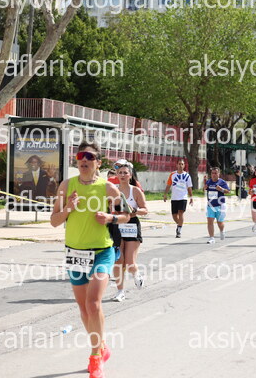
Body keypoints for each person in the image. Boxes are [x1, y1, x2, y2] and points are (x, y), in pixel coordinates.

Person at [50, 142, 130, 378]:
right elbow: (54, 221)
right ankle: (101, 346)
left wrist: (110, 218)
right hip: (75, 252)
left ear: (98, 163)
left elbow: (127, 215)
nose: (83, 159)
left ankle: (95, 357)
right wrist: (68, 208)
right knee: (84, 308)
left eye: (89, 156)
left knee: (94, 303)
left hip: (101, 251)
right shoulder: (66, 185)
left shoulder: (108, 188)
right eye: (80, 156)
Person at [111, 162, 148, 302]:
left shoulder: (135, 191)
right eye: (120, 172)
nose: (122, 175)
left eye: (125, 173)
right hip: (117, 225)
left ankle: (136, 274)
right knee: (118, 261)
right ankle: (120, 291)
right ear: (116, 175)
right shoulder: (113, 190)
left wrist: (135, 211)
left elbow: (145, 210)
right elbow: (107, 206)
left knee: (130, 263)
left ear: (130, 175)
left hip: (132, 225)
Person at [163, 159, 194, 238]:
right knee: (174, 215)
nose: (180, 165)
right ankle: (179, 224)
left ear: (184, 165)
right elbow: (168, 185)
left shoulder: (187, 176)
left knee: (181, 213)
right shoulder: (172, 174)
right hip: (174, 198)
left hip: (183, 197)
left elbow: (189, 187)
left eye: (182, 164)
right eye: (179, 164)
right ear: (176, 165)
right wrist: (165, 194)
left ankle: (179, 230)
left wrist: (191, 197)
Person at [205, 167, 230, 244]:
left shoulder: (222, 182)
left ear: (219, 174)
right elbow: (205, 189)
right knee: (210, 221)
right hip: (210, 205)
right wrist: (205, 187)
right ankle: (212, 238)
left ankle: (222, 231)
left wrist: (221, 189)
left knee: (220, 222)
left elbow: (228, 191)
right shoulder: (209, 182)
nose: (214, 175)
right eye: (212, 173)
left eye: (215, 173)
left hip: (220, 205)